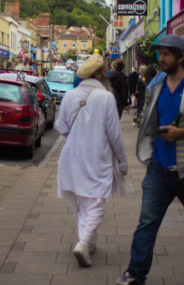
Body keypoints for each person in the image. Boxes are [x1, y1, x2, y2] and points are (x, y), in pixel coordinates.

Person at [116, 34, 184, 285]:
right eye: (159, 53)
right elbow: (149, 115)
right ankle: (135, 273)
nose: (160, 58)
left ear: (181, 56)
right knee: (147, 222)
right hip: (159, 167)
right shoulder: (156, 84)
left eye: (166, 54)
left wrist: (182, 133)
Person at [55, 54, 128, 268]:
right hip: (97, 157)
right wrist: (123, 163)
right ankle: (84, 243)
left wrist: (76, 132)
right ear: (98, 74)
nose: (107, 73)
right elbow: (114, 135)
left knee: (81, 203)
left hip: (72, 156)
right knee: (95, 202)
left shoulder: (69, 96)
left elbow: (61, 127)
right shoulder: (105, 97)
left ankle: (88, 242)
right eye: (104, 70)